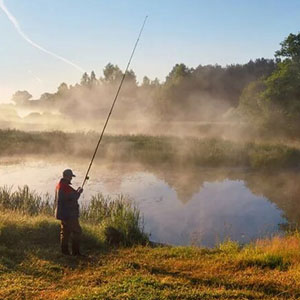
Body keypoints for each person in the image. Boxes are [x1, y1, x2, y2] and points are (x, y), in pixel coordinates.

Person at [55, 169, 84, 256]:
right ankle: (76, 252)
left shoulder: (60, 185)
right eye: (71, 177)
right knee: (77, 231)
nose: (71, 178)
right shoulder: (65, 187)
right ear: (67, 176)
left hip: (62, 214)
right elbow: (73, 197)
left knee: (65, 233)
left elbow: (68, 196)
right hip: (69, 215)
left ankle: (65, 252)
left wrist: (76, 191)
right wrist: (79, 192)